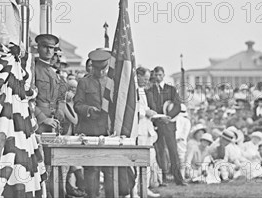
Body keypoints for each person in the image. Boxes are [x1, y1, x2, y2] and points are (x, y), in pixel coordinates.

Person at [74, 49, 135, 198]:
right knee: (92, 170)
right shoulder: (84, 82)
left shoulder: (114, 83)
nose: (100, 72)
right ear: (92, 67)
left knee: (110, 169)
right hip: (90, 131)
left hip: (109, 132)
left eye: (103, 69)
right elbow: (77, 104)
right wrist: (88, 109)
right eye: (97, 69)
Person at [146, 66, 187, 185]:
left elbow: (178, 106)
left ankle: (178, 179)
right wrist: (160, 118)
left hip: (169, 124)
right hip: (157, 124)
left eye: (160, 75)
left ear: (164, 75)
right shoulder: (150, 91)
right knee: (160, 152)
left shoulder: (171, 89)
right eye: (156, 75)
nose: (158, 77)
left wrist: (168, 117)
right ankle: (162, 179)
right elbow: (152, 107)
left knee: (173, 152)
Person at [135, 66, 161, 197]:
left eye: (147, 79)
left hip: (148, 130)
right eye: (144, 79)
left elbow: (145, 108)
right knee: (138, 160)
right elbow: (133, 110)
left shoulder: (143, 91)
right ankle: (134, 190)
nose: (146, 81)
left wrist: (151, 112)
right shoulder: (132, 90)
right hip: (139, 131)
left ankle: (145, 188)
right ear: (138, 76)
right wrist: (146, 112)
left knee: (150, 159)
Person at [33, 34, 65, 133]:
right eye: (44, 47)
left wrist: (59, 111)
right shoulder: (33, 70)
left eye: (51, 48)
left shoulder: (54, 73)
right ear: (38, 48)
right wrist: (42, 118)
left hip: (53, 120)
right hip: (36, 121)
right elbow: (26, 99)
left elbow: (59, 97)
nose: (48, 51)